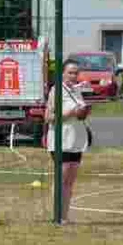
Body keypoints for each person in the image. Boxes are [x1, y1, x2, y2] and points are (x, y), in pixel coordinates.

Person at [44, 59, 92, 222]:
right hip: (61, 140)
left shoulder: (77, 90)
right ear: (63, 73)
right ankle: (56, 215)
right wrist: (71, 113)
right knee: (61, 178)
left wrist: (83, 112)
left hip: (76, 140)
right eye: (70, 72)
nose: (73, 76)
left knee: (70, 181)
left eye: (76, 73)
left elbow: (79, 111)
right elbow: (48, 117)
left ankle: (64, 216)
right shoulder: (56, 90)